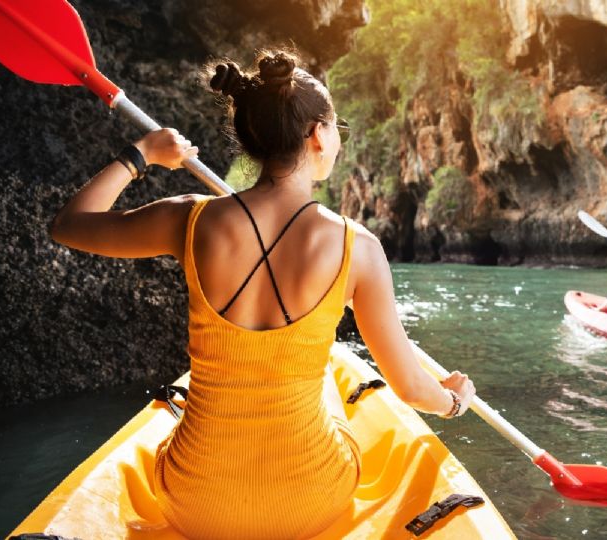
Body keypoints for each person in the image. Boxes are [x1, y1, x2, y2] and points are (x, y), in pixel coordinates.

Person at [49, 50, 476, 538]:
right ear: (317, 134)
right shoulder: (359, 249)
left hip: (196, 504)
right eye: (336, 127)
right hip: (312, 501)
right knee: (326, 382)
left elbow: (68, 226)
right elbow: (411, 389)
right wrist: (454, 401)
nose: (337, 140)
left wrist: (141, 153)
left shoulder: (188, 219)